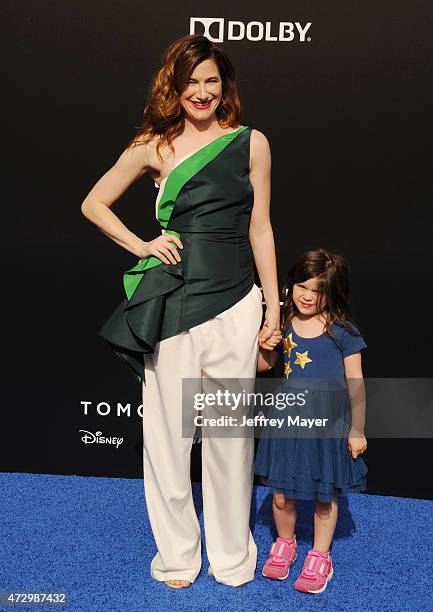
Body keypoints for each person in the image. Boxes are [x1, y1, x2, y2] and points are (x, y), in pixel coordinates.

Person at [81, 34, 281, 589]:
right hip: (171, 305)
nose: (202, 92)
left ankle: (232, 557)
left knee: (229, 440)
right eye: (191, 81)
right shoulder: (154, 145)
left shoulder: (252, 144)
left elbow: (260, 227)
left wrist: (272, 308)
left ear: (225, 86)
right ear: (175, 86)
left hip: (237, 302)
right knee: (168, 440)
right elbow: (93, 202)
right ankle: (176, 558)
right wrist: (142, 245)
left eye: (211, 80)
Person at [254, 248, 368, 594]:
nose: (307, 295)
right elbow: (263, 366)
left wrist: (357, 429)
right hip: (287, 419)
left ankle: (320, 555)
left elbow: (356, 383)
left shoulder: (343, 331)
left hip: (328, 423)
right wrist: (264, 344)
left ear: (332, 292)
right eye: (302, 286)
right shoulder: (284, 320)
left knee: (324, 493)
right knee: (280, 495)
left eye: (318, 290)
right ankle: (285, 544)